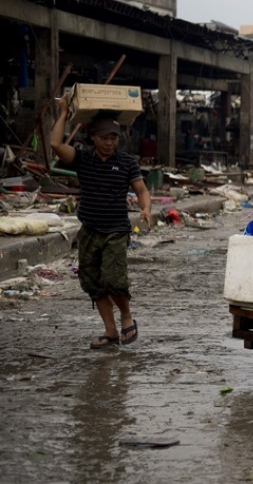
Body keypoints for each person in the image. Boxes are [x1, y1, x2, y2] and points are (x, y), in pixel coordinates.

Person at [50, 96, 153, 349]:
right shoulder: (83, 159)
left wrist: (146, 208)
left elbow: (141, 190)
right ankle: (110, 331)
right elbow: (55, 144)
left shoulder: (127, 162)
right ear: (93, 137)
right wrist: (63, 111)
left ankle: (126, 316)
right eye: (105, 137)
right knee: (93, 282)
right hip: (90, 230)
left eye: (114, 138)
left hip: (116, 231)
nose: (109, 142)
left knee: (114, 280)